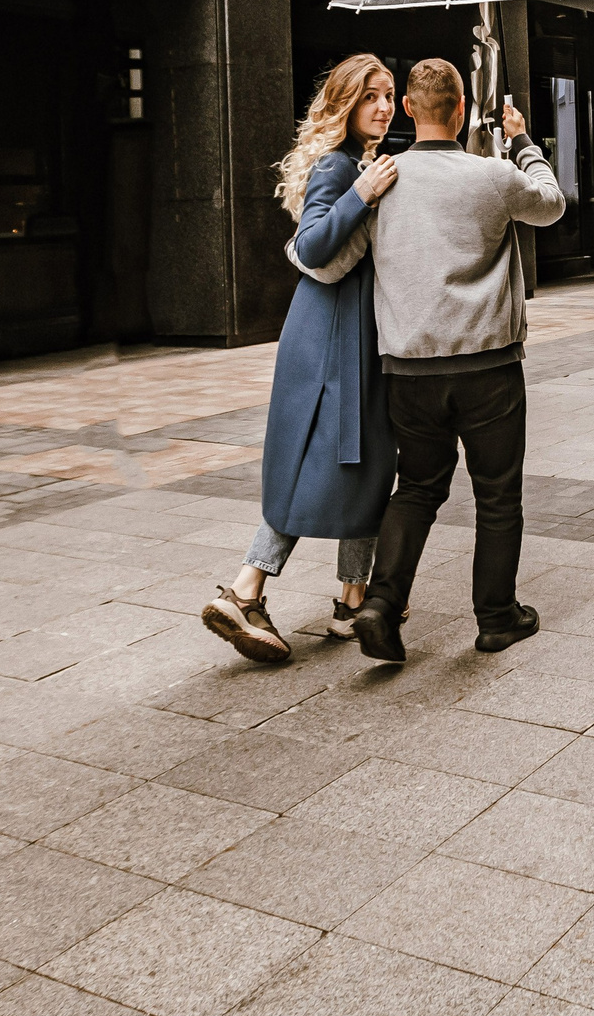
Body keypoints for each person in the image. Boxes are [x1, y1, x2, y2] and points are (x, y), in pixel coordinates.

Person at [348, 57, 565, 663]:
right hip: (488, 366)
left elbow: (337, 259)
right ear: (465, 108)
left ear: (410, 109)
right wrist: (520, 139)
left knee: (416, 486)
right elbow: (550, 204)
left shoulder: (380, 182)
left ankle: (381, 606)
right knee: (497, 494)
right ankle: (496, 617)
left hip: (408, 371)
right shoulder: (490, 175)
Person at [202, 54, 400, 663]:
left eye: (390, 95)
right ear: (346, 102)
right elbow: (313, 243)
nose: (384, 107)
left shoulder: (361, 161)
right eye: (371, 96)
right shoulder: (340, 166)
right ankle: (247, 586)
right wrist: (362, 192)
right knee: (326, 463)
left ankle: (349, 600)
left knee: (365, 464)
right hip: (330, 343)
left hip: (350, 337)